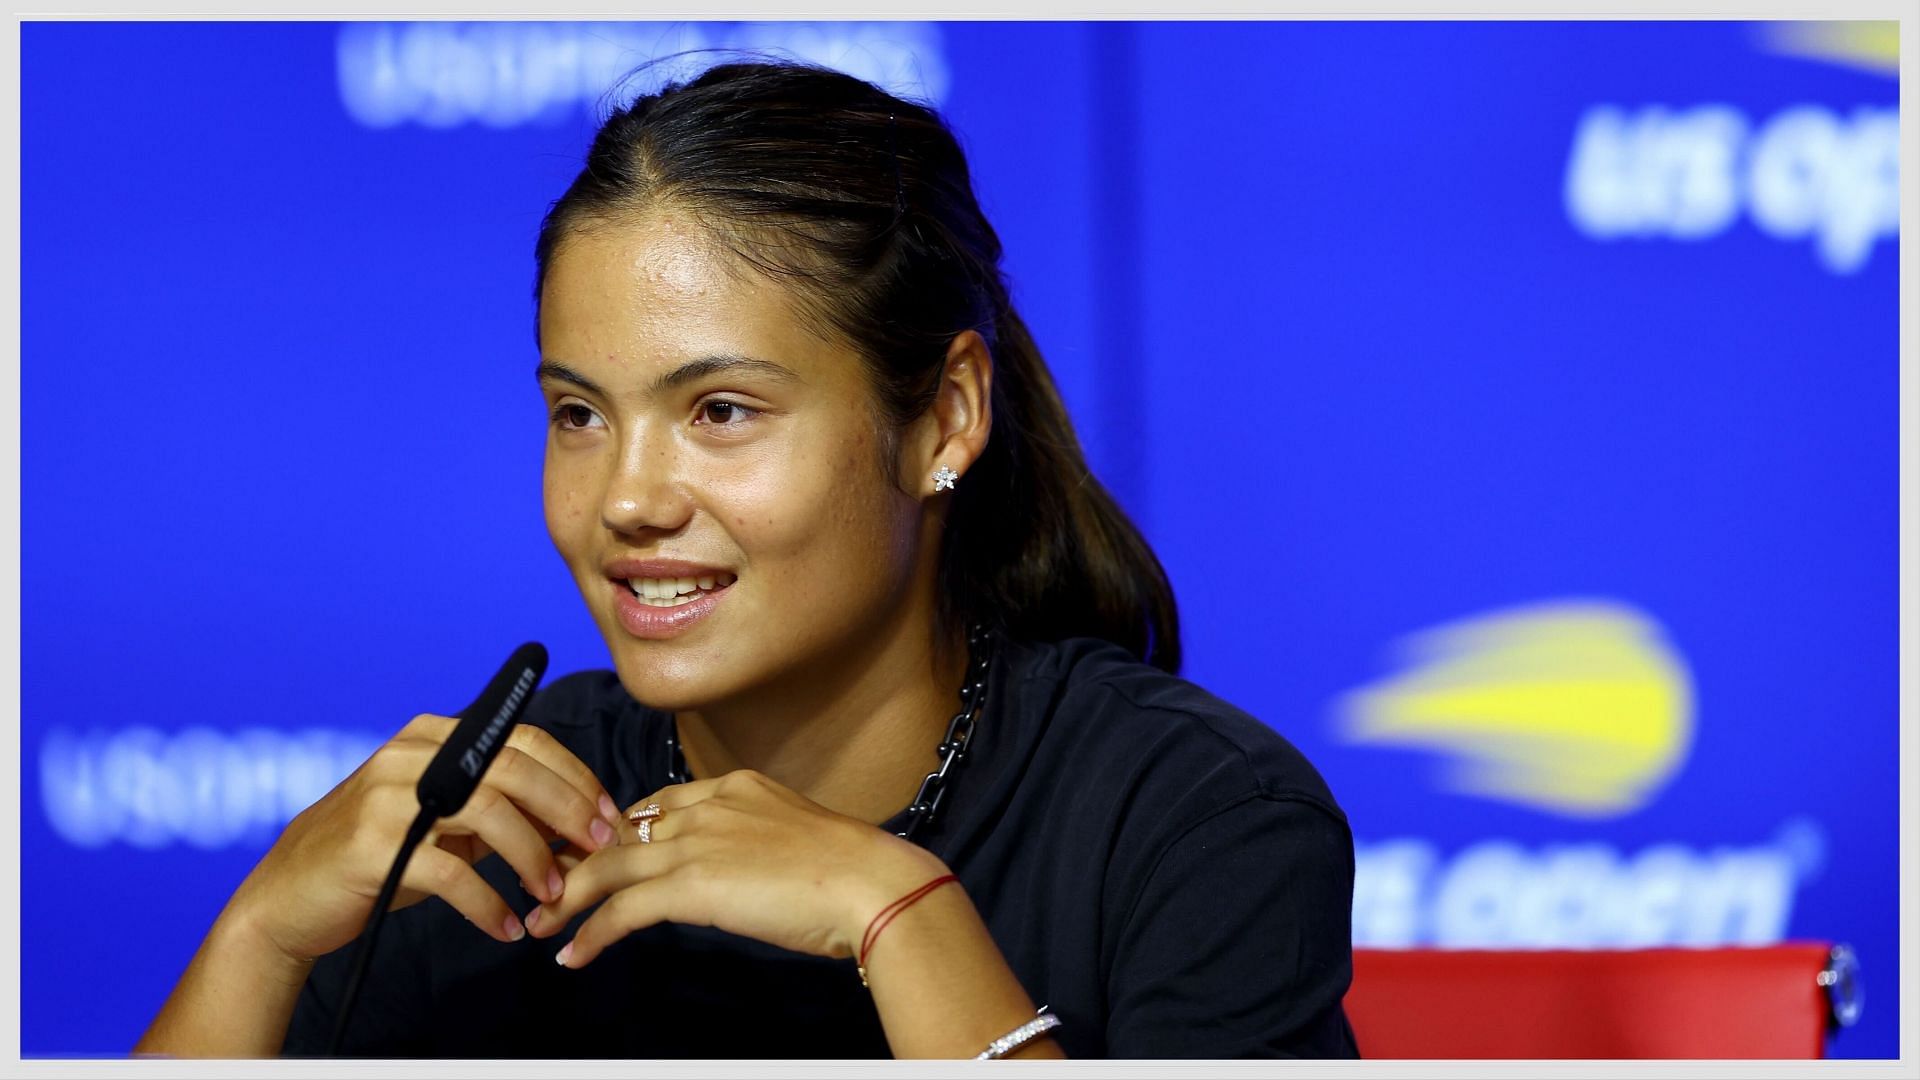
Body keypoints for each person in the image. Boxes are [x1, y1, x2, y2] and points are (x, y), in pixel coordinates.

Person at [135, 58, 1358, 1060]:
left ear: (943, 419)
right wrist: (260, 939)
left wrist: (898, 916)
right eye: (579, 414)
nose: (625, 500)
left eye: (720, 411)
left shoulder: (1199, 821)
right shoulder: (504, 823)